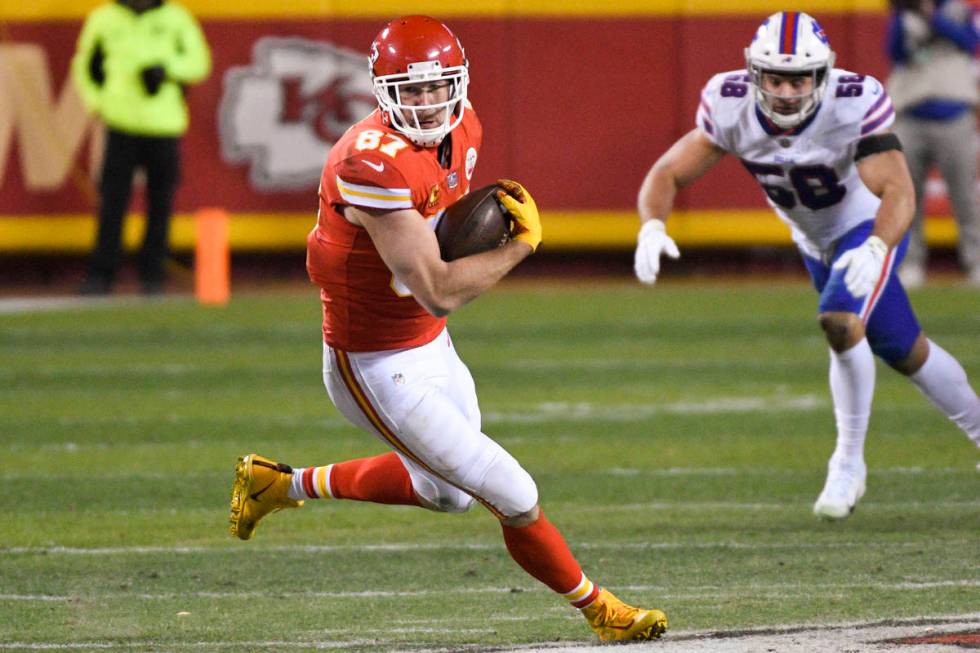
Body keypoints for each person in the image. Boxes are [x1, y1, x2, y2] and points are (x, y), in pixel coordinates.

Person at [228, 15, 667, 642]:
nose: (430, 103)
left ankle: (280, 483)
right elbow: (436, 289)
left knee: (447, 494)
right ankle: (601, 610)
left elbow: (439, 234)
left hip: (425, 342)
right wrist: (520, 247)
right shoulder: (369, 164)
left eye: (440, 87)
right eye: (412, 89)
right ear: (383, 92)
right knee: (515, 494)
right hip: (373, 361)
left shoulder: (464, 129)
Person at [634, 11, 980, 519]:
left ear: (822, 75)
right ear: (754, 74)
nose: (788, 91)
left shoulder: (852, 101)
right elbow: (668, 172)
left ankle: (847, 461)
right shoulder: (730, 106)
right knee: (904, 350)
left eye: (799, 78)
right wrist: (652, 225)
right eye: (776, 77)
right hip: (813, 239)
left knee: (840, 320)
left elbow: (898, 190)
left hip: (867, 226)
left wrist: (877, 247)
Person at [71, 0, 211, 295]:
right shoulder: (105, 18)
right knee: (112, 203)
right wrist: (99, 105)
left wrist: (166, 69)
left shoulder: (175, 18)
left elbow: (199, 62)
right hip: (120, 124)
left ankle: (152, 276)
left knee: (161, 203)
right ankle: (102, 274)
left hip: (164, 125)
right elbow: (84, 66)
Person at [885, 0, 979, 288]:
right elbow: (895, 53)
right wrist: (907, 14)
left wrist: (932, 16)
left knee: (965, 196)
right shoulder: (903, 14)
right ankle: (911, 263)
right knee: (907, 196)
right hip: (911, 114)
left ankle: (976, 262)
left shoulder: (956, 9)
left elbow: (970, 41)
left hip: (954, 113)